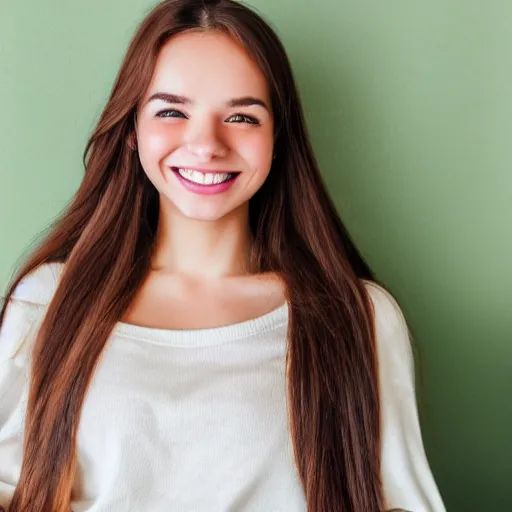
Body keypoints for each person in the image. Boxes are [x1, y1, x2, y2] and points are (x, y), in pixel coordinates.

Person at [0, 1, 446, 511]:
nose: (205, 144)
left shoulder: (358, 317)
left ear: (277, 140)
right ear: (130, 130)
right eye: (172, 111)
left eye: (241, 116)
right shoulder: (49, 302)